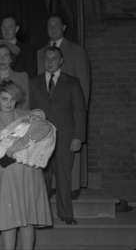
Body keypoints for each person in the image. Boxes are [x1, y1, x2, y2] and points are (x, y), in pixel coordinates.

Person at [0, 80, 52, 250]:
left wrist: (19, 145)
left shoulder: (27, 115)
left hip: (29, 171)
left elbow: (45, 130)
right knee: (9, 219)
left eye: (12, 99)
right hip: (8, 172)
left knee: (27, 220)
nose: (9, 103)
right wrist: (15, 149)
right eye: (4, 99)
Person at [30, 46, 86, 225]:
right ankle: (41, 215)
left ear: (61, 61)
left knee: (63, 176)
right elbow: (29, 111)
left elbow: (79, 111)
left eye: (54, 58)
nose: (50, 62)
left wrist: (78, 136)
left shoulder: (72, 82)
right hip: (41, 138)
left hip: (65, 138)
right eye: (47, 58)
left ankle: (65, 213)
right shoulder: (34, 82)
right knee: (42, 178)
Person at [37, 15, 90, 198]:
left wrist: (79, 123)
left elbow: (84, 86)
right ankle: (48, 189)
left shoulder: (76, 51)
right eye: (49, 25)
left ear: (64, 27)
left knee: (67, 160)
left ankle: (70, 189)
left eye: (56, 25)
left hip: (69, 114)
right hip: (47, 118)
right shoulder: (41, 52)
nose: (52, 28)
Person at [0, 43, 29, 116]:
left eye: (6, 55)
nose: (2, 59)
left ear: (11, 59)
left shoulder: (22, 77)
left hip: (16, 123)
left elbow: (25, 105)